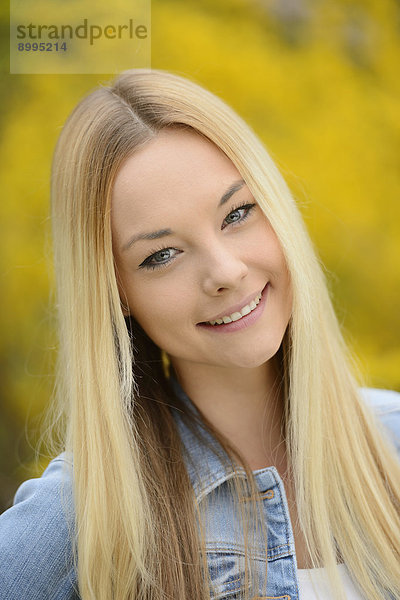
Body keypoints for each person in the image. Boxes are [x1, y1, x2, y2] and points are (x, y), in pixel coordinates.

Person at [0, 68, 399, 600]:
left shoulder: (392, 440)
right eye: (161, 255)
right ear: (116, 295)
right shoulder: (85, 516)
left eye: (237, 213)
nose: (226, 271)